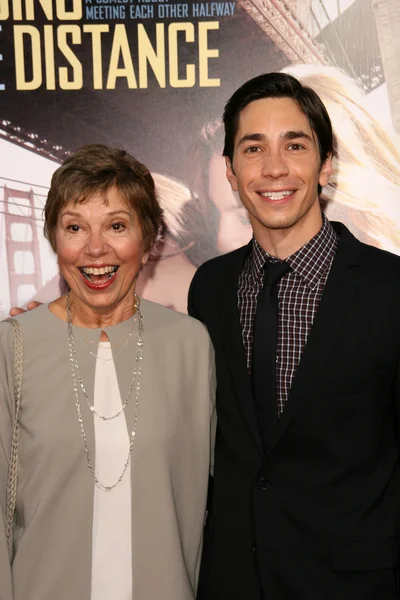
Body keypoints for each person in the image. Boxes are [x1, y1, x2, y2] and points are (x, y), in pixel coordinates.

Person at [188, 73, 400, 599]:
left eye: (295, 145)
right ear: (232, 173)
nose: (274, 167)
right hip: (233, 582)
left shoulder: (390, 289)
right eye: (253, 148)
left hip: (354, 586)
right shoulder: (209, 288)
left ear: (326, 164)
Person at [0, 144, 216, 600]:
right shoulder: (11, 346)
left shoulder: (190, 344)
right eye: (75, 227)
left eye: (117, 226)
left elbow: (214, 501)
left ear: (150, 237)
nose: (95, 248)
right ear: (54, 239)